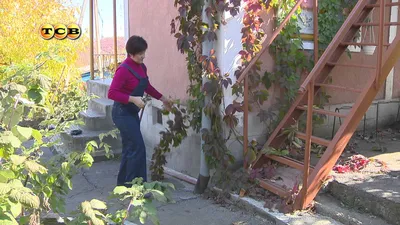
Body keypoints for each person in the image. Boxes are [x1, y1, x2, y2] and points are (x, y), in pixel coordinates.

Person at [108, 35, 172, 187]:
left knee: (129, 148)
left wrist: (163, 98)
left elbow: (147, 87)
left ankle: (123, 185)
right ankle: (136, 188)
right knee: (138, 148)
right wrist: (132, 99)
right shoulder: (123, 70)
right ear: (131, 53)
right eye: (140, 53)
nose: (143, 56)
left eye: (144, 52)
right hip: (121, 113)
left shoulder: (142, 67)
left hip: (131, 112)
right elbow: (111, 93)